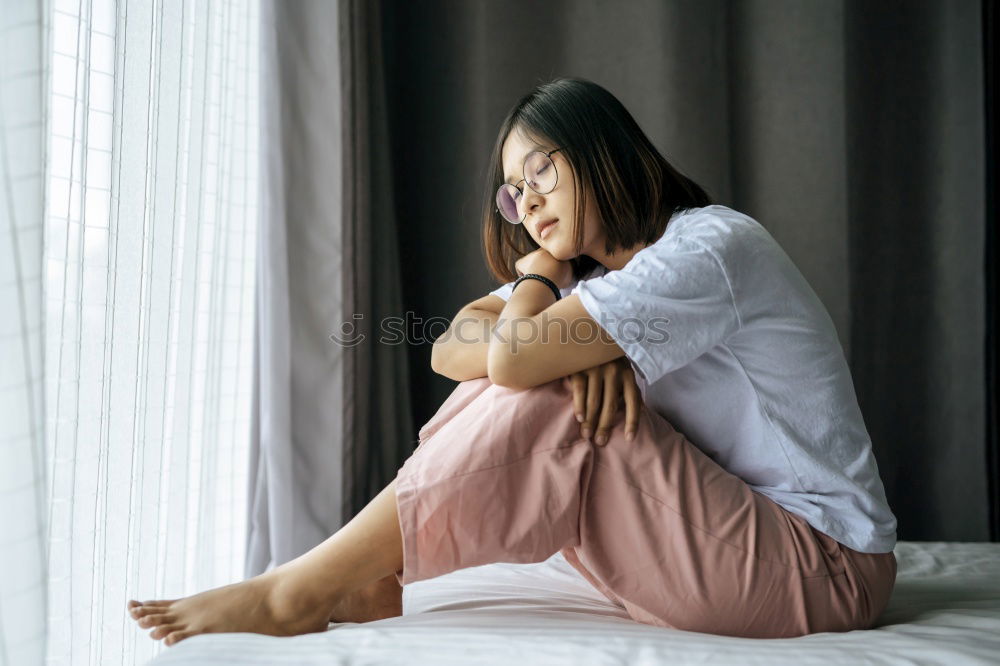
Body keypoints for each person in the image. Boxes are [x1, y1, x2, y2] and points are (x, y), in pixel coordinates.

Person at [127, 76, 897, 646]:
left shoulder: (710, 249)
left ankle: (299, 588)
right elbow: (454, 347)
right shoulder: (595, 282)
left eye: (541, 171)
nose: (524, 201)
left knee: (546, 395)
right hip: (735, 542)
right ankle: (361, 577)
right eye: (511, 191)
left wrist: (536, 322)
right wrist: (543, 298)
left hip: (821, 565)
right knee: (532, 374)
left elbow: (512, 362)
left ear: (603, 148)